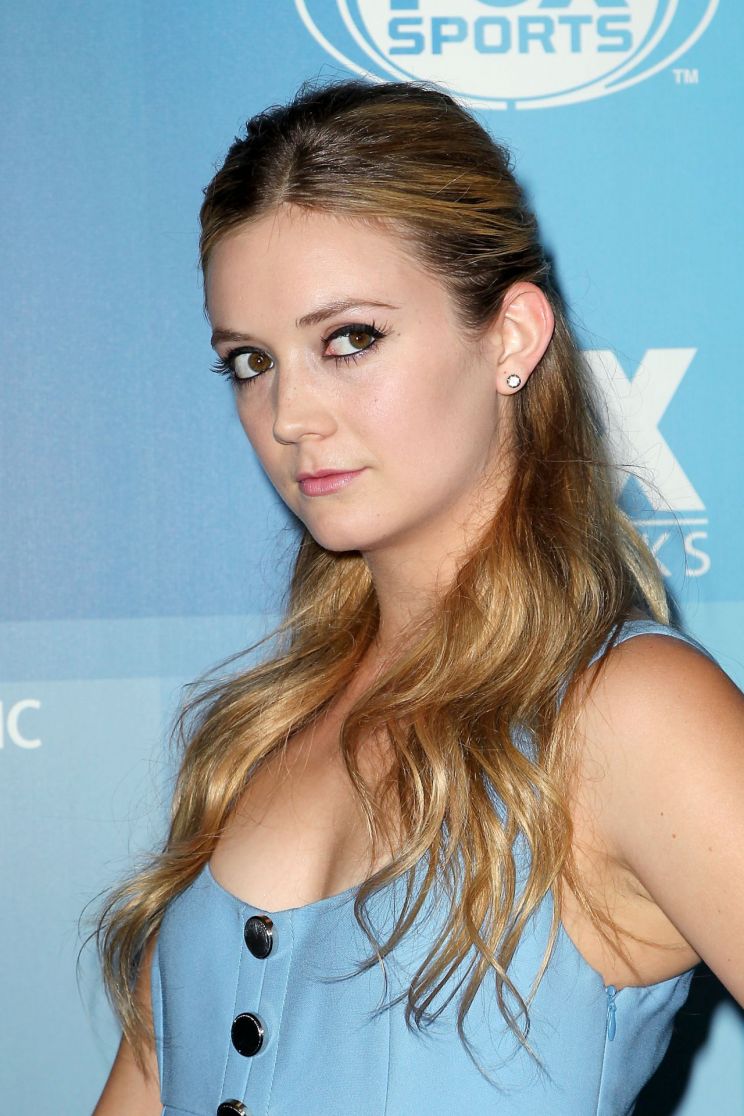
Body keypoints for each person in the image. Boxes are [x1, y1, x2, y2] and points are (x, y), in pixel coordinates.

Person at [90, 77, 744, 1116]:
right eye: (250, 361)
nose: (290, 414)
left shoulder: (629, 710)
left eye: (350, 339)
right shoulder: (257, 735)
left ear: (512, 337)